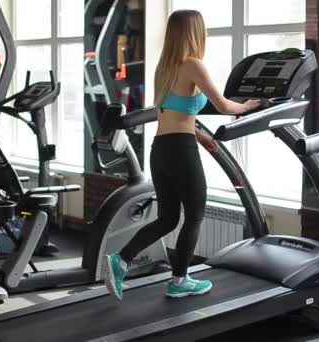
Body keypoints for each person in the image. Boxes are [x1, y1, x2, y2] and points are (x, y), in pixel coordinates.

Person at [104, 9, 262, 300]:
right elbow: (225, 106)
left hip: (161, 148)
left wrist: (201, 136)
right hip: (180, 150)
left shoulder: (164, 67)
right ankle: (180, 280)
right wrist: (251, 105)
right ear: (195, 33)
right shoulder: (193, 64)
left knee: (167, 218)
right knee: (195, 215)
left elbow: (171, 113)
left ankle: (122, 259)